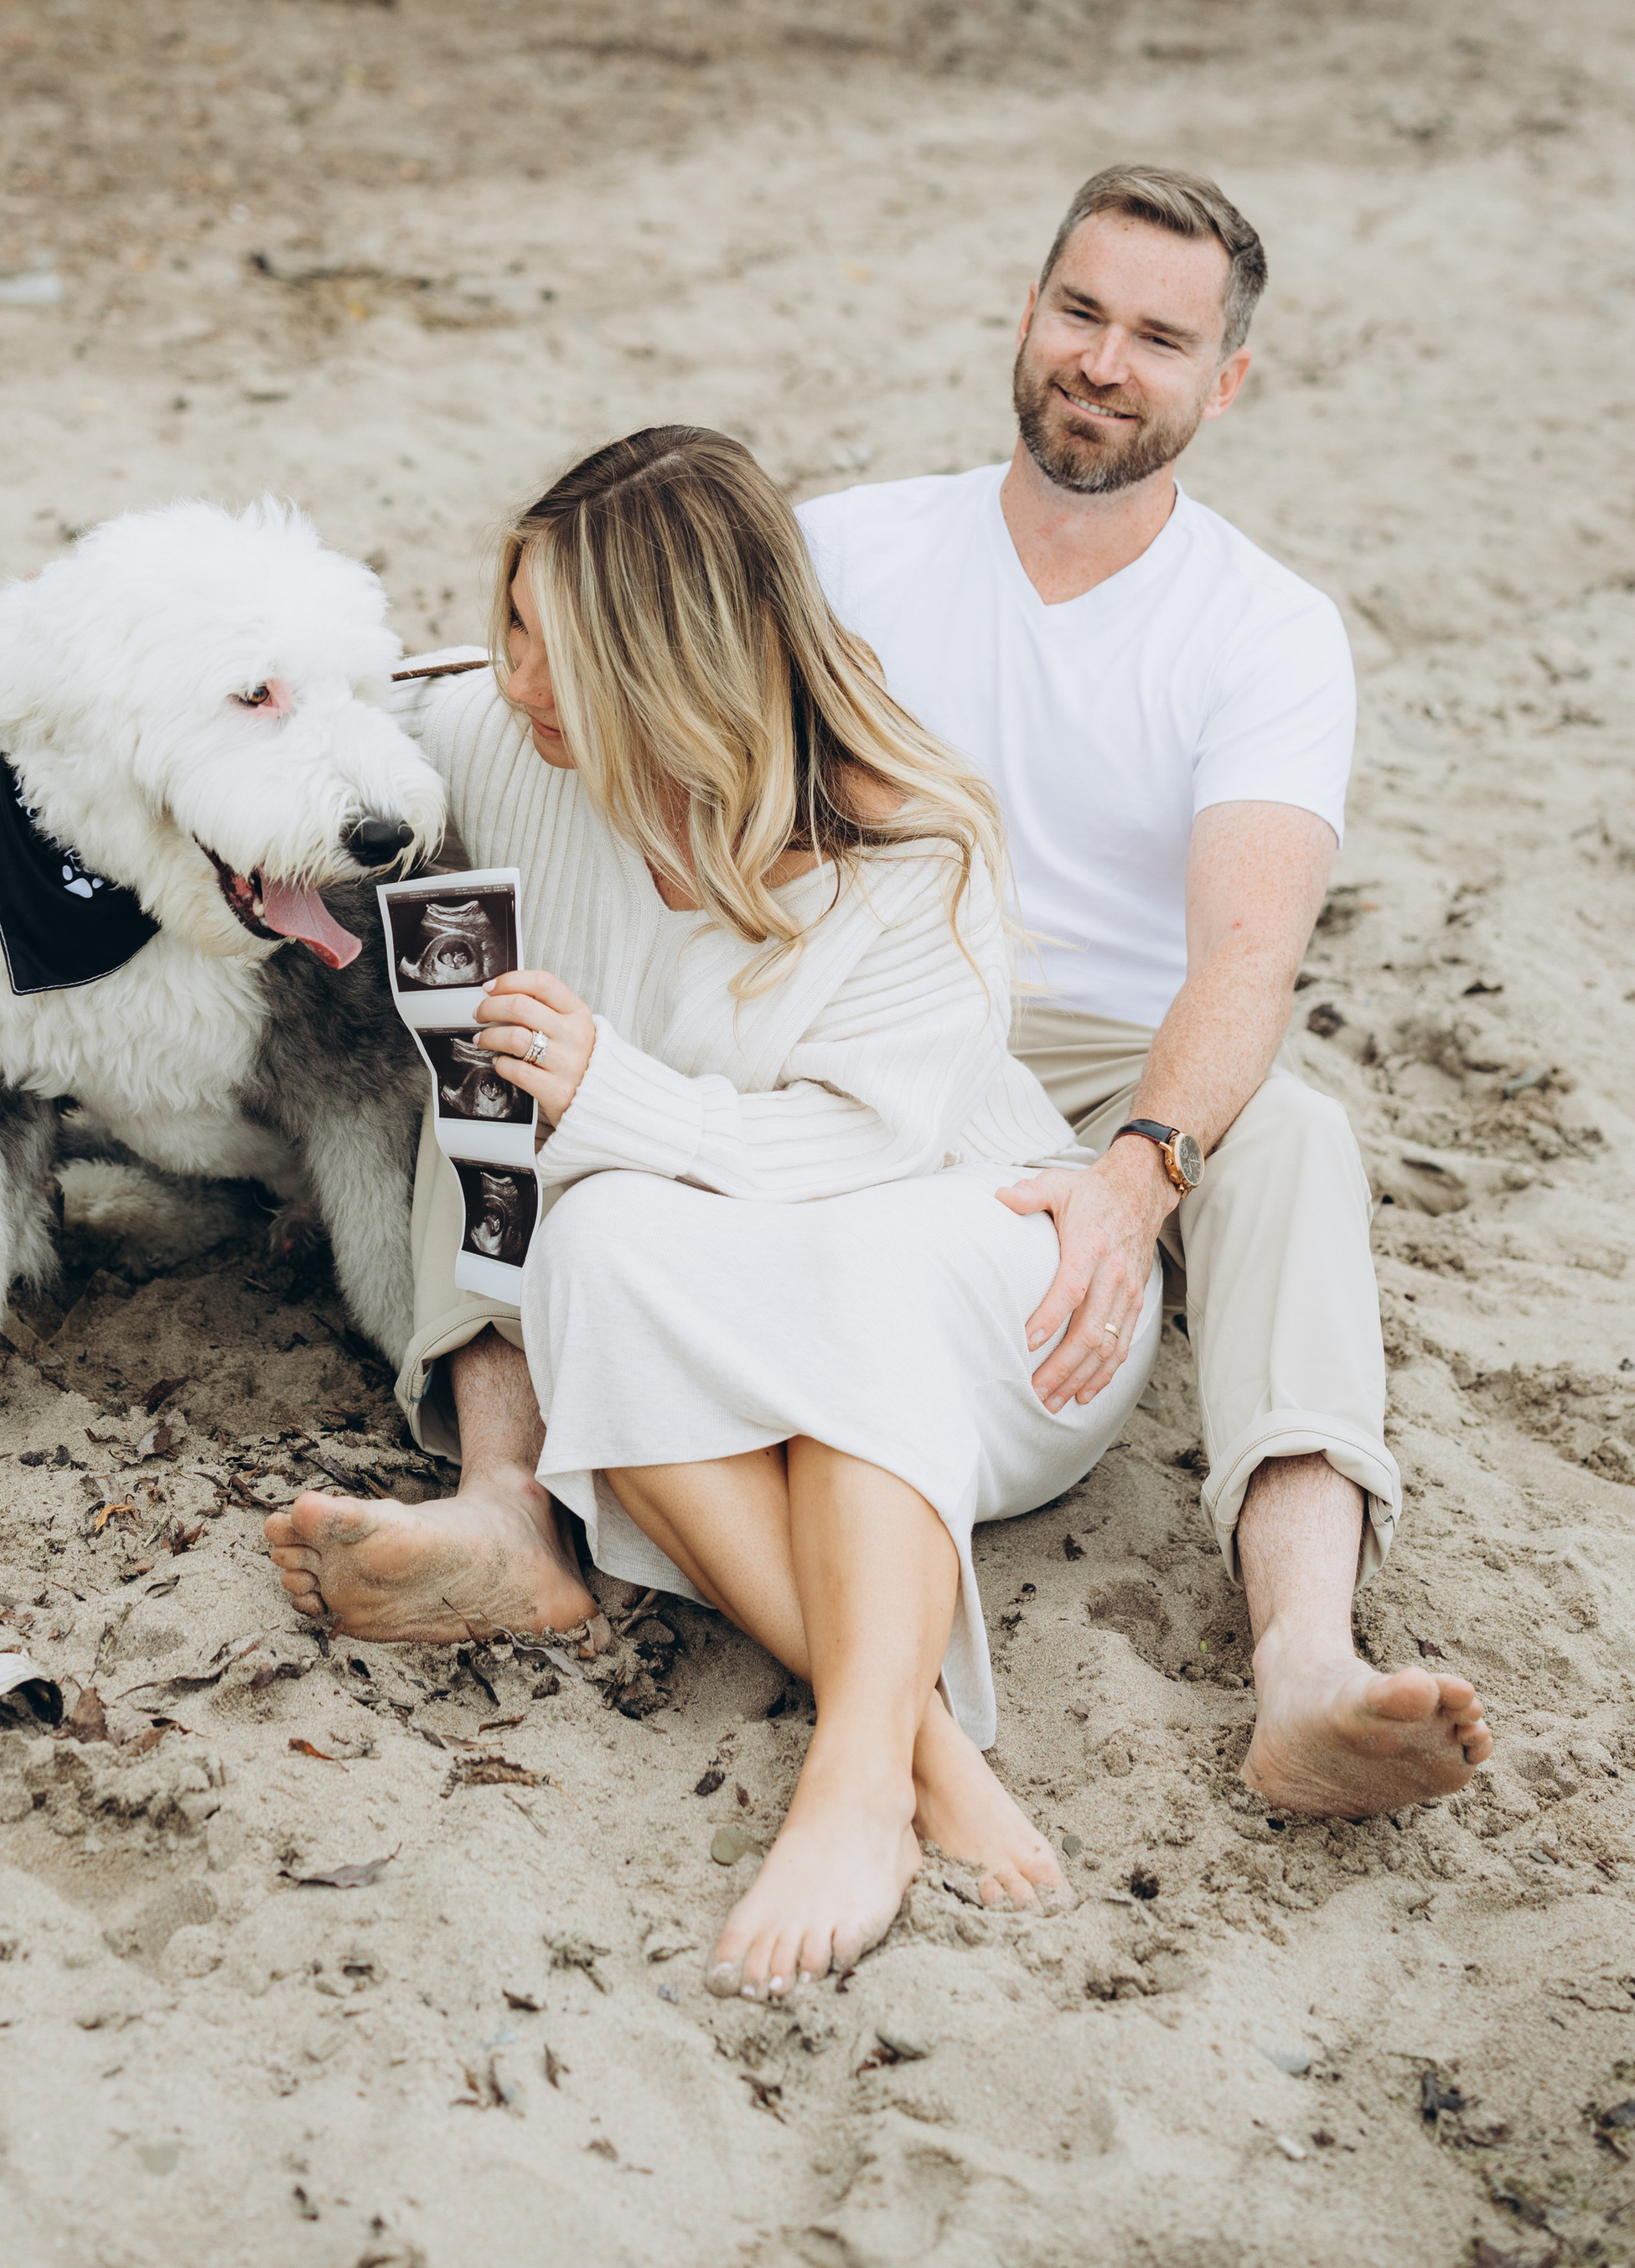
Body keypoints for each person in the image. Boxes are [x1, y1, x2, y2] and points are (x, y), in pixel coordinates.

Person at [267, 164, 1495, 1826]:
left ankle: (1301, 1656)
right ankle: (506, 1496)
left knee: (1287, 1136)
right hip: (834, 983)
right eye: (1079, 311)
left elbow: (1243, 961)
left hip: (1091, 1034)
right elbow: (642, 674)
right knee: (502, 1006)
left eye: (1156, 336)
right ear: (1026, 316)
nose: (1102, 360)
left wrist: (1133, 1181)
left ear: (1225, 379)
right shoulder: (847, 546)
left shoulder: (1262, 629)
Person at [273, 426, 1161, 1992]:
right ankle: (920, 1748)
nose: (515, 674)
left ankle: (846, 1785)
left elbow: (860, 1155)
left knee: (831, 1261)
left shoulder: (911, 841)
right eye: (512, 621)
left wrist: (612, 1091)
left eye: (551, 642)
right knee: (594, 1241)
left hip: (981, 1276)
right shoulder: (515, 740)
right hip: (720, 1290)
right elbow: (335, 711)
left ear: (663, 663)